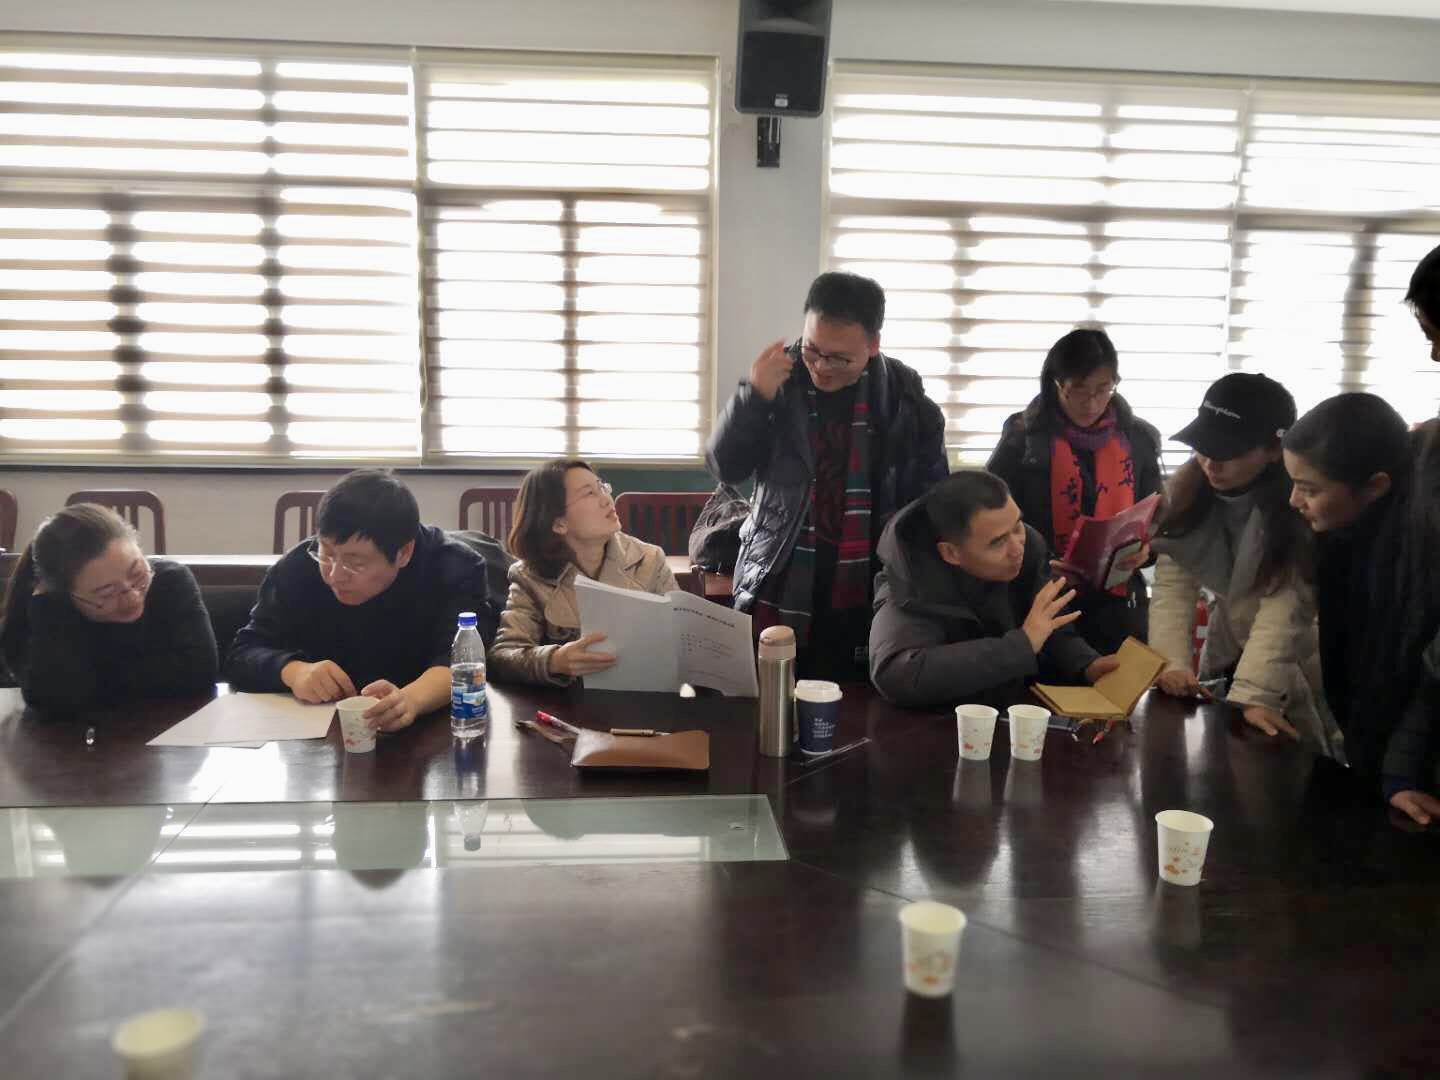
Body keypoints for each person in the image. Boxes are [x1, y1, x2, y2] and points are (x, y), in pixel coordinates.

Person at [705, 271, 949, 680]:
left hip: (870, 577)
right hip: (780, 572)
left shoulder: (907, 403)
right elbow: (726, 467)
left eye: (839, 358)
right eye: (812, 350)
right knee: (771, 692)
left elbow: (931, 500)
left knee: (856, 697)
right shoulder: (777, 382)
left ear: (873, 345)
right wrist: (752, 397)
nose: (821, 366)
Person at [225, 469, 498, 732]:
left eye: (355, 563)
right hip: (321, 732)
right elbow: (244, 651)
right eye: (326, 553)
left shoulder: (454, 567)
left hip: (430, 731)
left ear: (404, 553)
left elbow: (463, 659)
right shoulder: (297, 567)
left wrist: (410, 700)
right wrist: (294, 671)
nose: (334, 575)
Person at [1147, 373, 1336, 750]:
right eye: (1203, 447)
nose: (1210, 463)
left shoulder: (1296, 509)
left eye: (1227, 452)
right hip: (1228, 650)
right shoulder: (1190, 492)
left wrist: (1255, 693)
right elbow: (1173, 588)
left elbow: (1285, 609)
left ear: (1274, 450)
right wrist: (1171, 665)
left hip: (1290, 659)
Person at [1283, 393, 1440, 824]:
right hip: (1382, 765)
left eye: (1310, 489)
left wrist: (1400, 772)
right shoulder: (1342, 535)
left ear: (1375, 486)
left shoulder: (1419, 561)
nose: (1294, 500)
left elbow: (1426, 681)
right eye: (1293, 483)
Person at [869, 470, 1119, 709]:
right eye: (997, 542)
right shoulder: (911, 579)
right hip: (939, 723)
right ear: (951, 552)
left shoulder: (1029, 547)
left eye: (1018, 526)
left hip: (1012, 712)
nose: (1017, 548)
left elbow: (1048, 624)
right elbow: (897, 674)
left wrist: (1085, 664)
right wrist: (1022, 645)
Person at [987, 327, 1164, 653]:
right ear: (1056, 384)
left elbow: (1156, 516)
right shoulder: (1023, 438)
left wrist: (1145, 550)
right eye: (1079, 390)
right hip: (1041, 594)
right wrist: (1036, 560)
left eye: (1103, 389)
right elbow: (991, 516)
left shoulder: (1138, 438)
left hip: (1118, 600)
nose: (1092, 402)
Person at [0, 504, 217, 710]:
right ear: (65, 596)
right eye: (107, 593)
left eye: (137, 573)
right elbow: (53, 698)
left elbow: (199, 673)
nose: (132, 597)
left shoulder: (170, 581)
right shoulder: (50, 609)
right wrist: (48, 610)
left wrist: (94, 677)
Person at [488, 459, 676, 687]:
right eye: (589, 493)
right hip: (566, 702)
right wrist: (554, 661)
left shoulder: (649, 559)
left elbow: (680, 636)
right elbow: (503, 656)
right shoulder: (529, 576)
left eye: (602, 487)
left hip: (643, 692)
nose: (607, 499)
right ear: (559, 523)